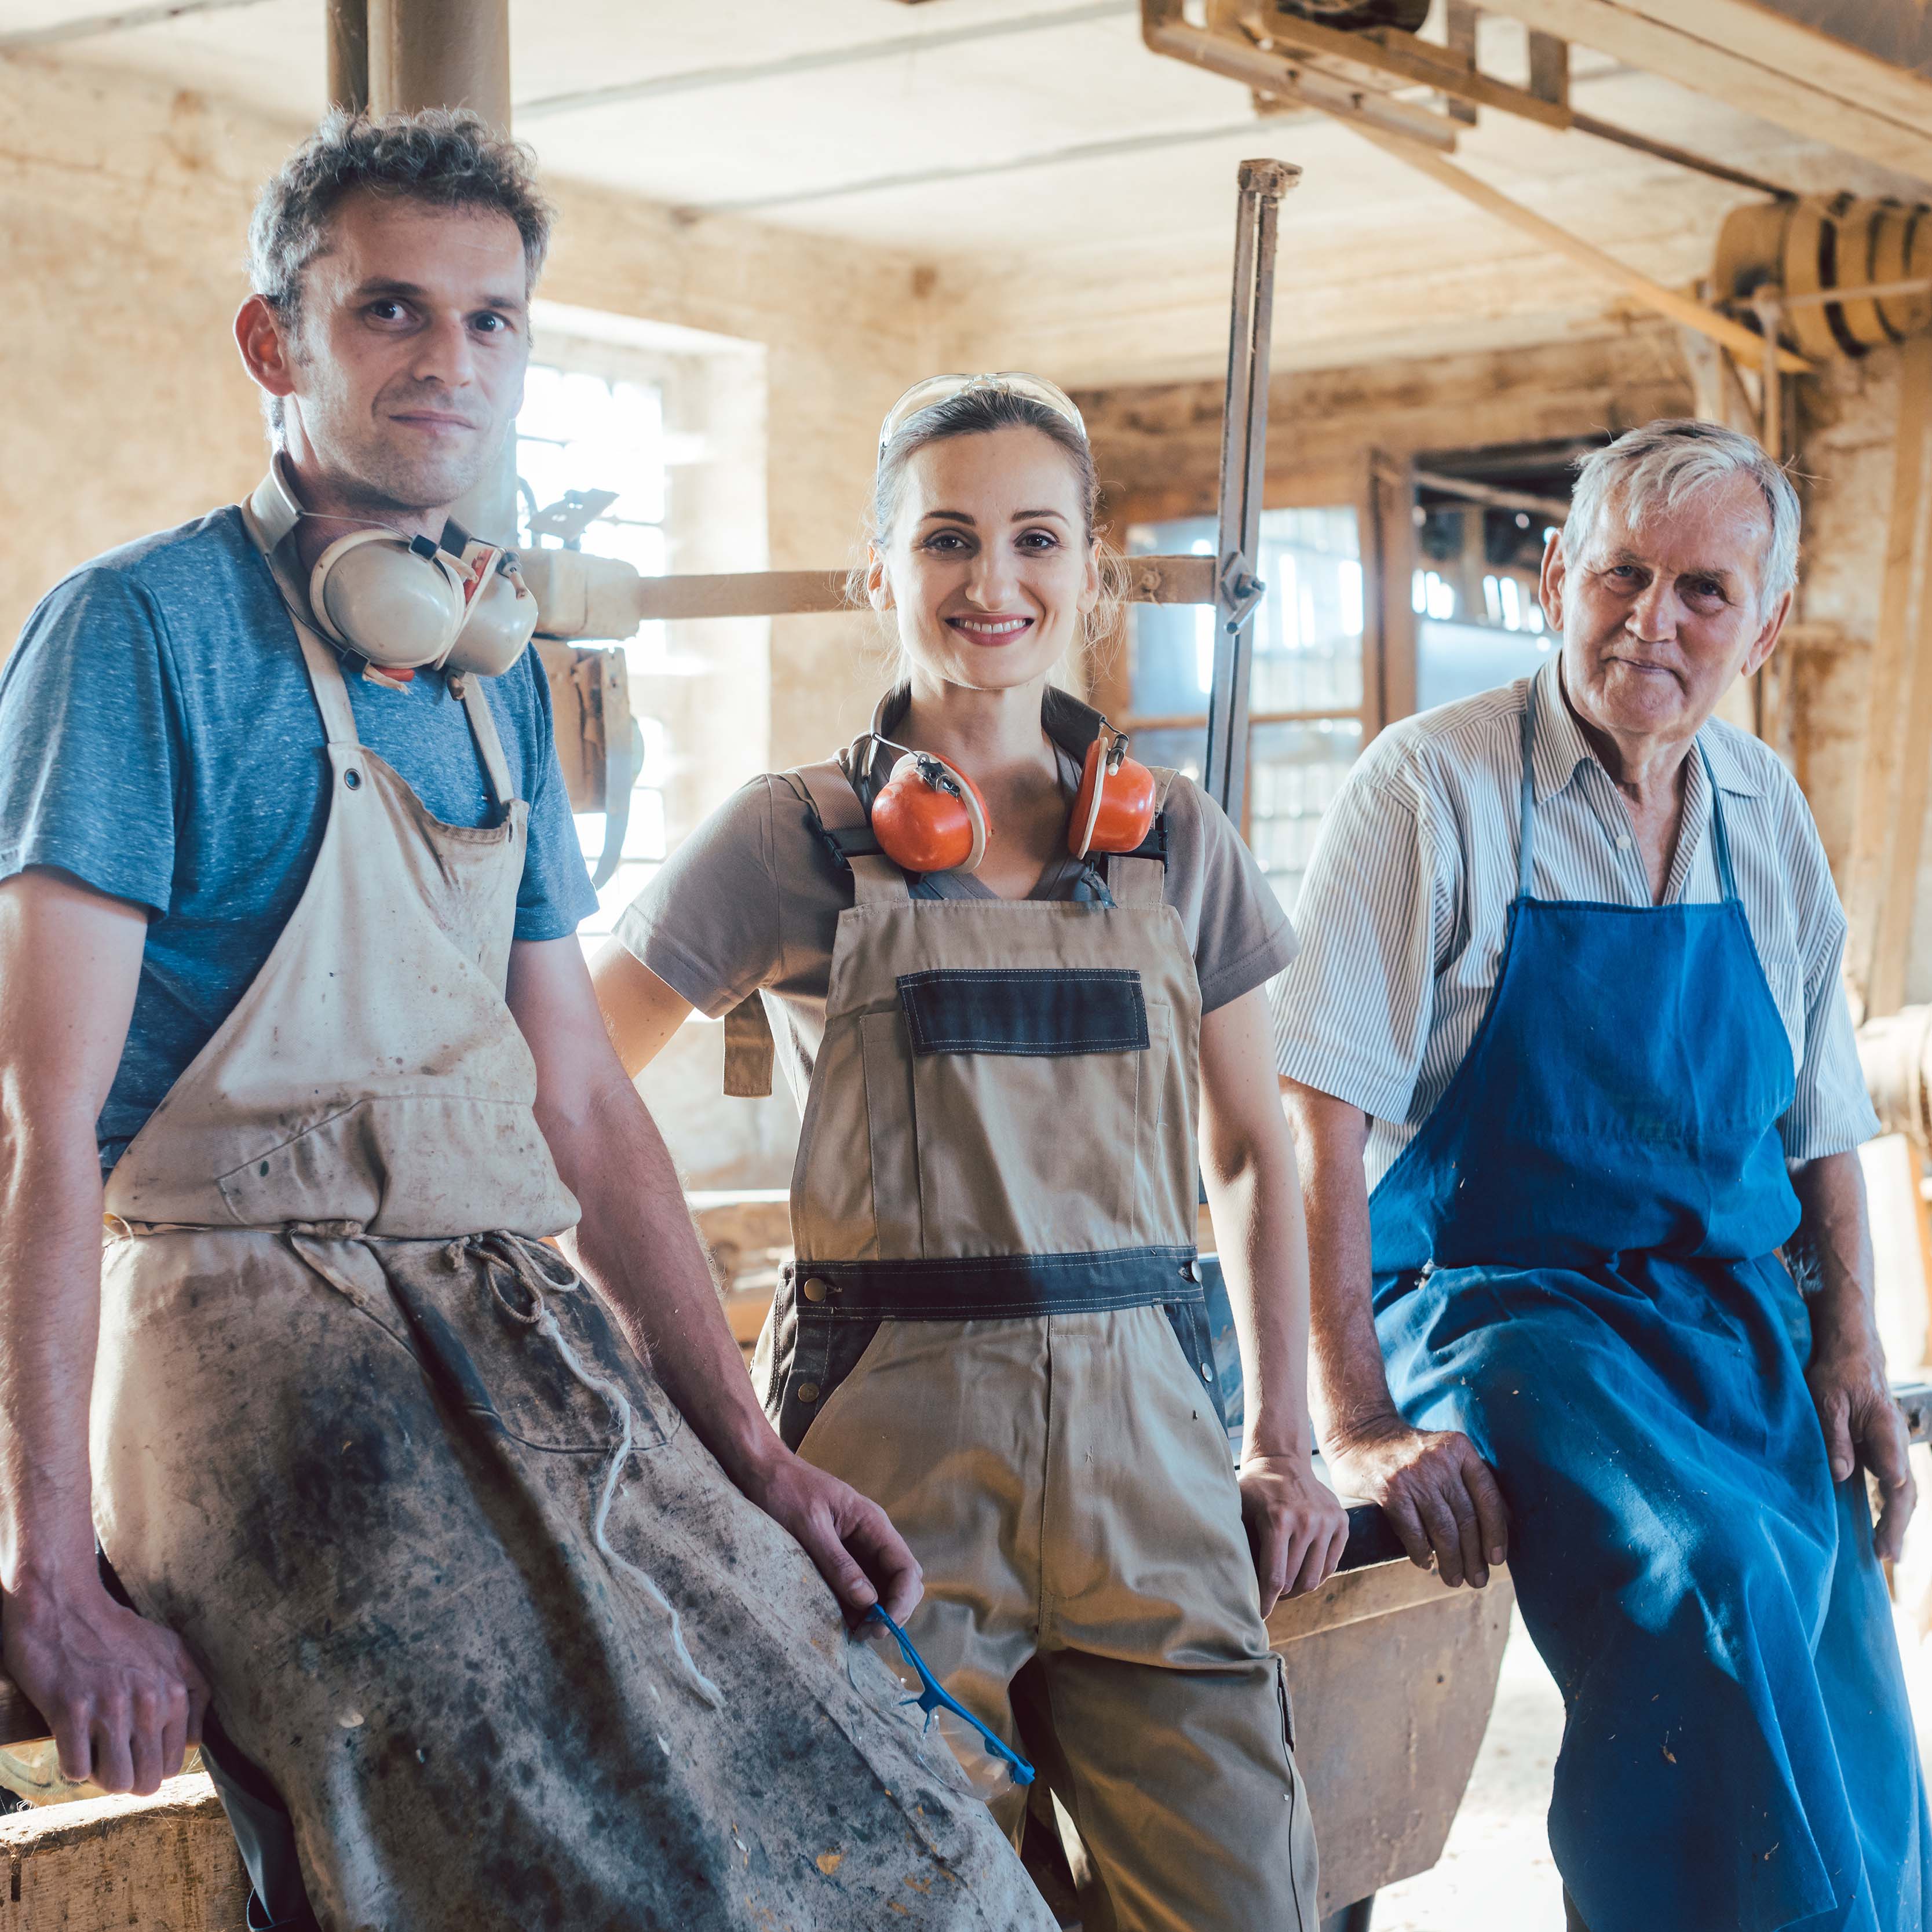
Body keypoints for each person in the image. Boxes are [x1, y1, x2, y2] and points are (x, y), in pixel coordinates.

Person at [0, 111, 1054, 1932]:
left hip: (515, 1315)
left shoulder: (489, 682)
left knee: (895, 1807)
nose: (449, 361)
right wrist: (46, 1575)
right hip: (260, 1348)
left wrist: (753, 1455)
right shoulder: (133, 636)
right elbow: (40, 1131)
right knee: (570, 1853)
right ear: (277, 345)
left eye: (493, 322)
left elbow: (583, 1096)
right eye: (391, 312)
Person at [594, 371, 1346, 1932]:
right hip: (890, 1485)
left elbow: (1259, 1152)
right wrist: (714, 1423)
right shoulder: (790, 840)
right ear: (880, 572)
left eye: (1033, 540)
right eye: (946, 540)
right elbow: (565, 1089)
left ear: (1094, 570)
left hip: (1160, 1472)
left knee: (1243, 1903)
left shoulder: (1177, 840)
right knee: (915, 1904)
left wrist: (1288, 1436)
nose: (991, 584)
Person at [1274, 418, 1931, 1932]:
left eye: (1705, 590)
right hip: (1507, 1312)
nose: (1656, 619)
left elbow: (1824, 1122)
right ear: (1553, 577)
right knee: (1701, 1585)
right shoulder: (1429, 787)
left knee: (1849, 1677)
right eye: (1623, 573)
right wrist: (1356, 1419)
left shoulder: (1768, 819)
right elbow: (1317, 1128)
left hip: (1730, 1324)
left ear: (1762, 627)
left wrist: (1853, 1349)